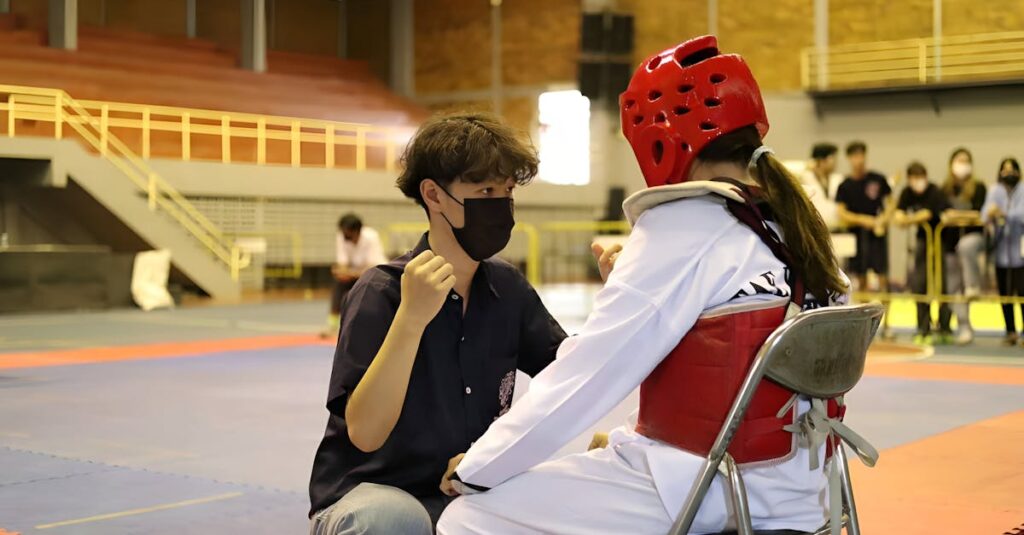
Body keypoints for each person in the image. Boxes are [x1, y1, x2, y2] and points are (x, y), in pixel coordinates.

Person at [437, 36, 869, 535]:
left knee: (469, 518)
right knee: (608, 449)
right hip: (806, 490)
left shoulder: (683, 224)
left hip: (709, 486)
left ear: (658, 139)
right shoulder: (799, 228)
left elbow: (587, 376)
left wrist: (478, 468)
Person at [308, 113, 573, 534]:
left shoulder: (508, 289)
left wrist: (624, 295)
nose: (501, 206)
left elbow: (574, 374)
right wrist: (411, 321)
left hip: (467, 492)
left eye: (506, 192)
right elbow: (365, 433)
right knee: (392, 520)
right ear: (433, 195)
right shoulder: (381, 293)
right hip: (375, 493)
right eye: (485, 189)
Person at [893, 162, 949, 345]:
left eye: (920, 176)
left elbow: (927, 214)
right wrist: (905, 218)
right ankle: (923, 328)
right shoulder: (907, 193)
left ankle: (944, 327)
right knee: (920, 283)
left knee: (941, 284)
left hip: (939, 240)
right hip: (922, 241)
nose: (917, 181)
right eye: (914, 178)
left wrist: (908, 219)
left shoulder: (934, 191)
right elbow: (898, 215)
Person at [939, 147, 987, 345]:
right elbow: (943, 214)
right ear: (951, 164)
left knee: (966, 246)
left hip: (973, 238)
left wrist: (956, 216)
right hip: (949, 243)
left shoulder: (979, 187)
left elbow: (979, 214)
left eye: (966, 160)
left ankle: (972, 285)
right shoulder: (944, 189)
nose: (962, 164)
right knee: (952, 287)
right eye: (959, 160)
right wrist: (961, 216)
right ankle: (964, 325)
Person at [835, 141, 894, 294]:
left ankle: (887, 312)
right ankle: (863, 311)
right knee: (860, 275)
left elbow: (890, 203)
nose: (859, 160)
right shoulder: (845, 185)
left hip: (877, 233)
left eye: (861, 155)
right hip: (856, 234)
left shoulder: (878, 179)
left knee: (882, 273)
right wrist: (862, 220)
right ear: (849, 158)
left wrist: (883, 220)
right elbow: (841, 212)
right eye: (855, 156)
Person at [320, 214, 387, 338]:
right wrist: (342, 272)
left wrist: (350, 273)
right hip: (354, 274)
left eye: (348, 233)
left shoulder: (371, 237)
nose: (345, 236)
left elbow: (374, 266)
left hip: (375, 275)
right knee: (339, 285)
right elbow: (342, 262)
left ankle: (376, 325)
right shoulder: (342, 237)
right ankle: (332, 326)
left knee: (370, 287)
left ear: (357, 231)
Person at [982, 157, 1024, 345]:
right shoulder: (995, 190)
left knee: (1022, 293)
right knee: (1005, 293)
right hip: (1001, 252)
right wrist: (992, 213)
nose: (1008, 173)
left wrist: (1004, 214)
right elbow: (985, 213)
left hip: (1020, 252)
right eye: (1004, 170)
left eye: (1012, 169)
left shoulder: (1023, 190)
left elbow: (1021, 214)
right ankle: (1010, 331)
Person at [801, 142, 842, 229]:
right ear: (822, 160)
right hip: (815, 228)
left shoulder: (838, 179)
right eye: (832, 158)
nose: (835, 162)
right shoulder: (806, 177)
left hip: (836, 227)